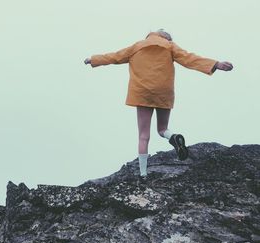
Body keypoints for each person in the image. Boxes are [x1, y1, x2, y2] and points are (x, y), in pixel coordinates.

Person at [84, 29, 233, 177]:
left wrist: (93, 59)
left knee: (143, 135)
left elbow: (114, 57)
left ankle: (143, 174)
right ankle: (173, 137)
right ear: (167, 38)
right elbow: (189, 58)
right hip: (163, 91)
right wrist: (216, 64)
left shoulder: (137, 46)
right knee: (162, 129)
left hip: (142, 92)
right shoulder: (170, 46)